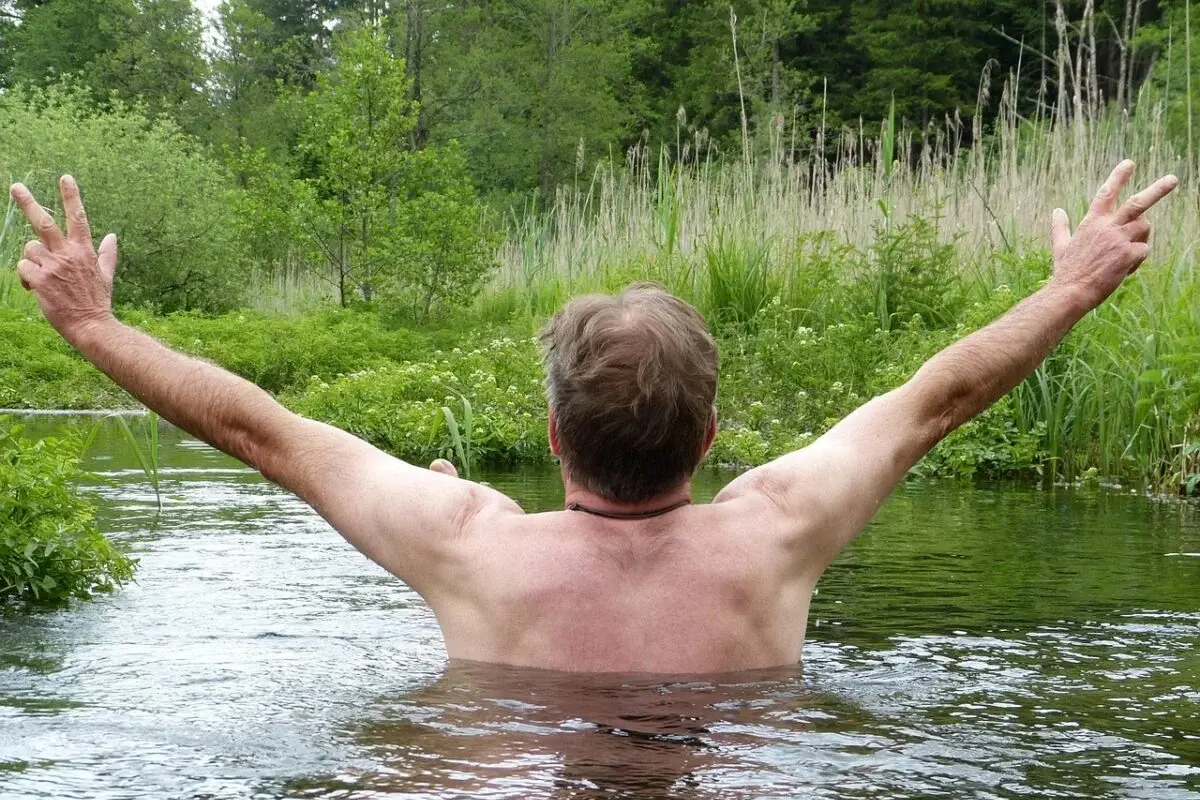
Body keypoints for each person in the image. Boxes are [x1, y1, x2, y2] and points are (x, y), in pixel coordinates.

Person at [9, 162, 1176, 674]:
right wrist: (1074, 283)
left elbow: (259, 431)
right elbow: (940, 399)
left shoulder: (468, 542)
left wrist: (96, 330)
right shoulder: (776, 529)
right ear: (712, 442)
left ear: (556, 435)